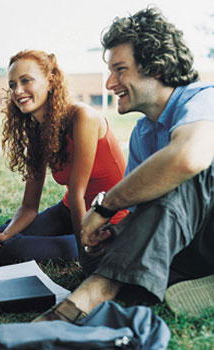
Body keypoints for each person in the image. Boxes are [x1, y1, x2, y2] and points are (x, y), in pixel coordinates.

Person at [35, 7, 214, 323]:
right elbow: (143, 218)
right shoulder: (144, 133)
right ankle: (180, 281)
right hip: (190, 239)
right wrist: (108, 233)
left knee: (177, 174)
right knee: (95, 257)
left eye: (120, 70)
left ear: (156, 68)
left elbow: (187, 158)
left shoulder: (203, 99)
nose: (109, 83)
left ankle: (96, 292)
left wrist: (104, 208)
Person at [0, 49, 128, 264]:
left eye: (26, 81)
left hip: (108, 221)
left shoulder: (82, 117)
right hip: (68, 212)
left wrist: (85, 255)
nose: (18, 91)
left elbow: (77, 194)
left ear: (50, 82)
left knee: (14, 250)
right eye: (13, 85)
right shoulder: (39, 130)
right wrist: (6, 234)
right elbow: (29, 207)